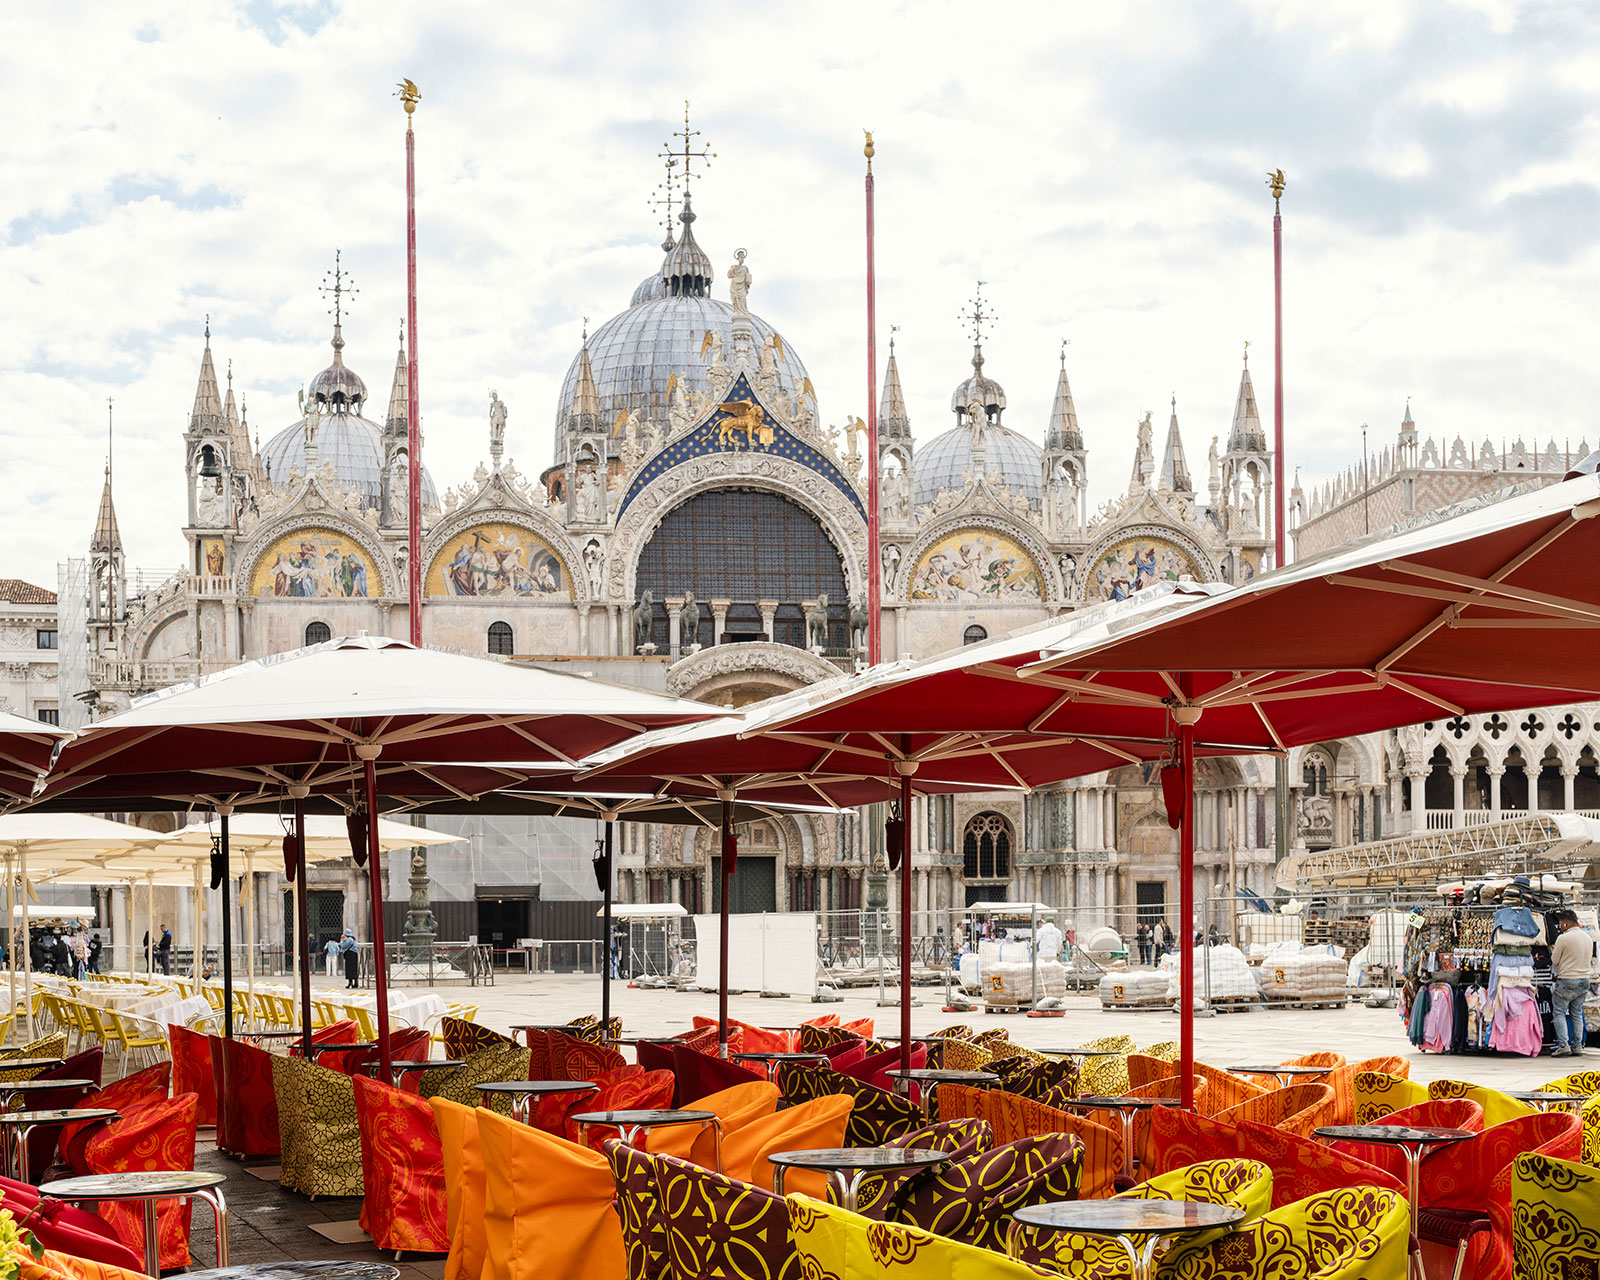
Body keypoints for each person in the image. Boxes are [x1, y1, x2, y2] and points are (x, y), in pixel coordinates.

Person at [1551, 909, 1594, 1057]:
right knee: (1576, 1013)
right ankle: (1577, 1046)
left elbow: (1554, 960)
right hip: (1584, 980)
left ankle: (1563, 1045)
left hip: (1568, 979)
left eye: (1560, 923)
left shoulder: (1563, 938)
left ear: (1565, 922)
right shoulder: (1587, 937)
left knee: (1559, 1012)